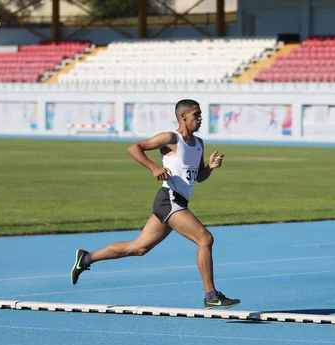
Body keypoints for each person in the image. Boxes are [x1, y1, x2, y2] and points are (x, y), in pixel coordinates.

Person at [70, 99, 240, 309]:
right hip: (169, 199)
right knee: (205, 238)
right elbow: (134, 148)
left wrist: (211, 167)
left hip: (176, 202)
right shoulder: (170, 138)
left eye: (200, 114)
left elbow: (199, 177)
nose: (200, 119)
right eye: (196, 115)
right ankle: (211, 296)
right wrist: (153, 168)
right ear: (183, 117)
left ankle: (86, 259)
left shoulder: (199, 144)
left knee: (139, 248)